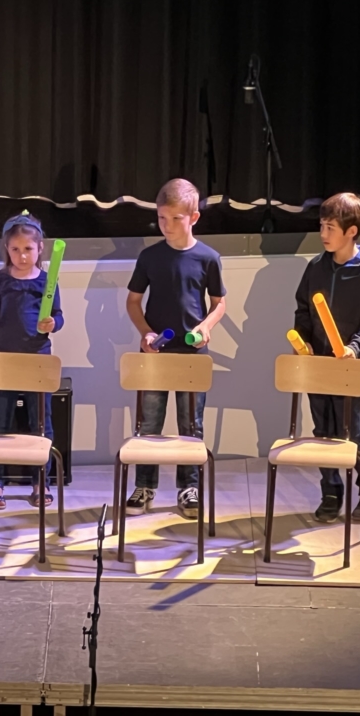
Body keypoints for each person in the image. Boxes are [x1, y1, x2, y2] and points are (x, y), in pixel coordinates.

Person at [125, 179, 226, 519]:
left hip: (192, 357)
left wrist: (206, 327)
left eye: (175, 219)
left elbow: (219, 304)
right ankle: (145, 485)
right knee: (148, 423)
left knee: (191, 425)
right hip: (155, 355)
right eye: (161, 218)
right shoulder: (150, 256)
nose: (167, 226)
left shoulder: (208, 258)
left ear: (193, 217)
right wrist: (145, 333)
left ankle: (189, 487)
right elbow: (133, 302)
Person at [294, 193, 360, 523]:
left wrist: (354, 348)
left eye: (330, 227)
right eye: (321, 226)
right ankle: (331, 493)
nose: (323, 233)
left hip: (348, 368)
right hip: (318, 366)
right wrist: (303, 339)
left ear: (351, 231)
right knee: (323, 431)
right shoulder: (315, 268)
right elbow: (303, 310)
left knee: (351, 433)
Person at [0, 211, 64, 509]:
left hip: (39, 361)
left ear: (40, 249)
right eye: (15, 249)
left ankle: (41, 481)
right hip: (5, 361)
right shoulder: (0, 279)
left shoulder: (47, 281)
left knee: (42, 423)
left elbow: (59, 316)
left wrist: (53, 323)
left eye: (28, 249)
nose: (22, 255)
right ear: (7, 249)